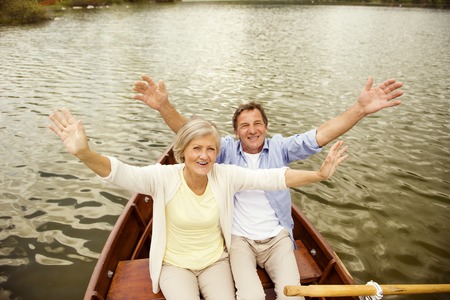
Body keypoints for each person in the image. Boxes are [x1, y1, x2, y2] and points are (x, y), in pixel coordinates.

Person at [132, 74, 403, 300]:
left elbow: (320, 135)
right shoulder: (223, 150)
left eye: (257, 124)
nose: (252, 130)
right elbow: (189, 132)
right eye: (244, 125)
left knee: (291, 295)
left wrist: (360, 109)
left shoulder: (281, 148)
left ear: (266, 127)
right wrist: (163, 106)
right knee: (250, 296)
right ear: (236, 131)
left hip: (278, 239)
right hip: (239, 240)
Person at [48, 109, 349, 300]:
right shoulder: (162, 178)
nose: (204, 156)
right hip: (174, 266)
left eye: (211, 149)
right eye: (196, 148)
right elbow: (119, 172)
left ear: (218, 152)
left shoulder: (226, 175)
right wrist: (84, 153)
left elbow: (273, 178)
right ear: (182, 151)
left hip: (215, 263)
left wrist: (319, 174)